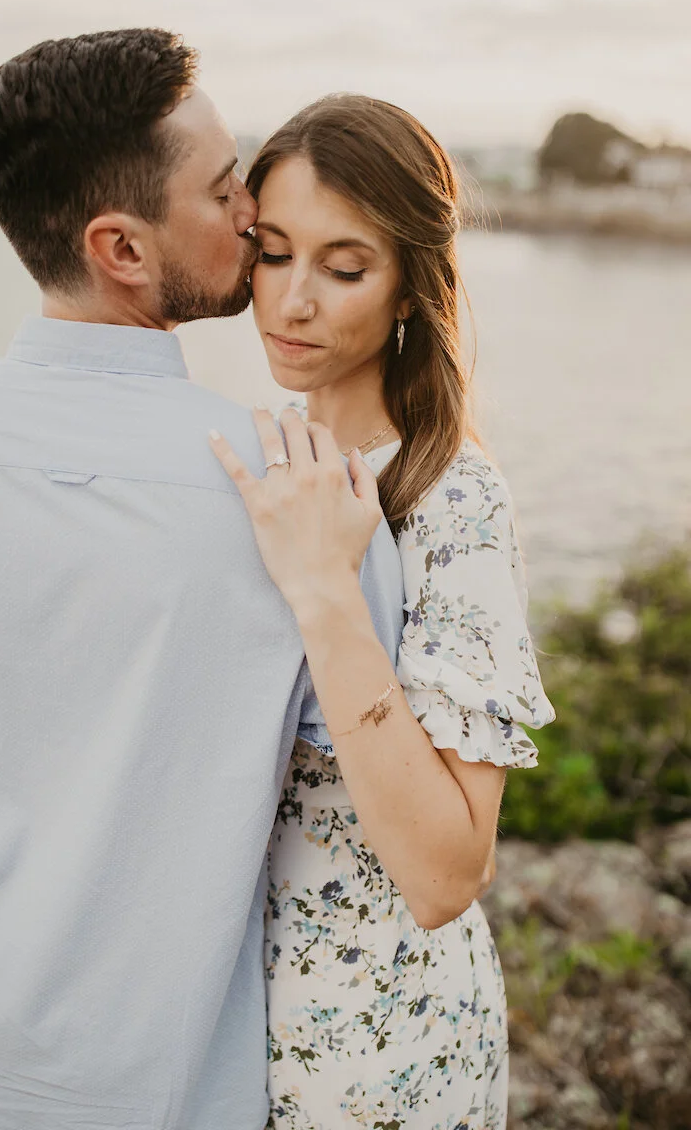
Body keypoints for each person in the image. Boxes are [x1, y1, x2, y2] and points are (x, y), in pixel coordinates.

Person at [0, 35, 405, 1130]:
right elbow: (373, 820)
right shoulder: (304, 492)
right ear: (121, 247)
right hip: (175, 1093)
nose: (253, 218)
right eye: (224, 191)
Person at [210, 93, 555, 1128]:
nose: (292, 301)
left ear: (409, 285)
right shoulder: (263, 457)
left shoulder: (453, 500)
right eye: (273, 253)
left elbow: (448, 872)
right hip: (224, 1025)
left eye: (343, 267)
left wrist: (327, 593)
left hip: (380, 1052)